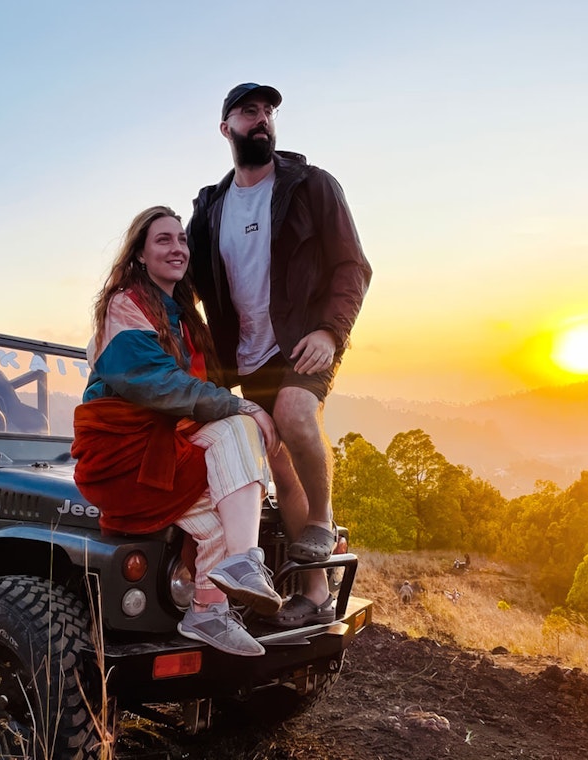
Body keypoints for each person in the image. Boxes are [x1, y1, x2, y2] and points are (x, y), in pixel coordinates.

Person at [187, 83, 372, 628]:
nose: (262, 119)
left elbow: (352, 267)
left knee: (294, 415)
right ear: (227, 129)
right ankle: (314, 592)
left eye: (268, 111)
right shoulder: (211, 209)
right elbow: (193, 283)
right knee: (279, 466)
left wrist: (330, 333)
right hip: (244, 357)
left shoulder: (311, 186)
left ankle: (322, 520)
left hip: (305, 341)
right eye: (249, 111)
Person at [72, 205, 283, 657]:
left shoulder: (185, 318)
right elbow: (153, 382)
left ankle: (207, 610)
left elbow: (209, 383)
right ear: (140, 256)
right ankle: (244, 565)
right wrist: (241, 405)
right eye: (163, 240)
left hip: (165, 447)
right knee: (234, 425)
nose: (177, 247)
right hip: (121, 455)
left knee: (227, 511)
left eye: (181, 239)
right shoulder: (124, 305)